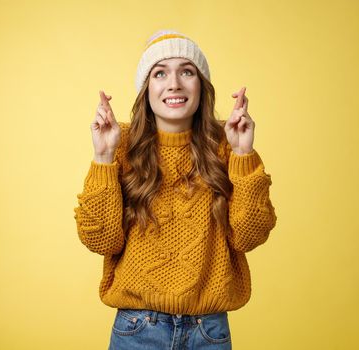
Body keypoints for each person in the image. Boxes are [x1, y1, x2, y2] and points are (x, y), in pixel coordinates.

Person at [73, 29, 277, 350]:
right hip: (137, 328)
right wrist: (103, 156)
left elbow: (249, 236)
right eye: (160, 73)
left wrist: (243, 155)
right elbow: (101, 241)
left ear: (201, 87)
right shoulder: (121, 144)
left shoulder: (227, 145)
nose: (174, 83)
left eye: (187, 71)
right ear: (146, 89)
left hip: (208, 330)